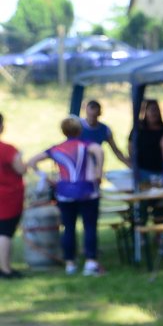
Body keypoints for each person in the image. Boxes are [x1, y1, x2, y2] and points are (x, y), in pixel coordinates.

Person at [30, 117, 107, 277]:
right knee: (90, 227)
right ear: (80, 130)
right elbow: (99, 151)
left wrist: (47, 178)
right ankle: (90, 262)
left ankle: (70, 263)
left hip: (65, 192)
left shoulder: (57, 149)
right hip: (87, 190)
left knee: (68, 228)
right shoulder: (85, 144)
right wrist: (99, 172)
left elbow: (32, 162)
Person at [0, 112, 25, 279]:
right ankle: (5, 269)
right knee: (5, 233)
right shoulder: (7, 149)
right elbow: (21, 169)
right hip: (8, 197)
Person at [78, 99, 131, 170]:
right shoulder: (77, 125)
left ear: (99, 114)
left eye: (94, 116)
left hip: (94, 166)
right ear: (86, 112)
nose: (92, 119)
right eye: (90, 115)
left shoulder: (105, 130)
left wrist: (129, 164)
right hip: (77, 162)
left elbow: (115, 150)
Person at [132, 99, 163, 186]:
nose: (154, 113)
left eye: (156, 110)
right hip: (143, 171)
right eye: (151, 110)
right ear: (145, 112)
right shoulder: (139, 128)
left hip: (162, 171)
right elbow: (131, 147)